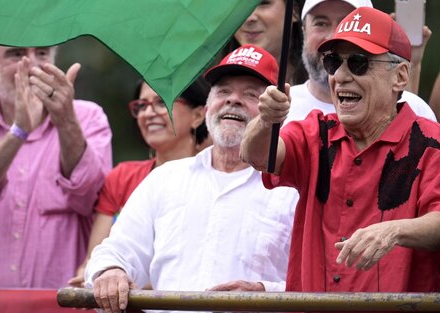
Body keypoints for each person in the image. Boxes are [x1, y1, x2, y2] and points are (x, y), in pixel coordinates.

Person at [241, 6, 440, 295]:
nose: (341, 76)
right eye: (334, 62)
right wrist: (265, 120)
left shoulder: (431, 142)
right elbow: (256, 156)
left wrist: (394, 230)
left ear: (399, 77)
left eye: (359, 62)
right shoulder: (316, 132)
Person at [85, 44, 299, 313]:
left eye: (251, 94)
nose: (233, 100)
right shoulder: (164, 179)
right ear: (207, 106)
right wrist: (110, 272)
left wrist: (265, 293)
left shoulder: (294, 188)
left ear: (275, 111)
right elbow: (115, 251)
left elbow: (316, 281)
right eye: (223, 91)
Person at [0, 41, 112, 288]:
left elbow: (93, 199)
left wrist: (66, 120)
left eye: (41, 53)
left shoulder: (89, 117)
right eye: (16, 55)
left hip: (62, 304)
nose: (33, 65)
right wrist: (19, 132)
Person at [68, 77, 210, 287]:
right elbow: (94, 258)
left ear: (198, 115)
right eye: (142, 106)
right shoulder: (123, 178)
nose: (149, 113)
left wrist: (135, 284)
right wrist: (92, 275)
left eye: (162, 102)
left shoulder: (216, 181)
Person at [285, 0, 436, 124]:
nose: (332, 36)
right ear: (304, 31)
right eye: (320, 23)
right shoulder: (278, 110)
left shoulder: (417, 111)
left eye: (347, 22)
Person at [228, 0, 308, 85]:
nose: (249, 18)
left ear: (294, 11)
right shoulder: (213, 85)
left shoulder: (322, 84)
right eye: (238, 6)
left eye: (263, 3)